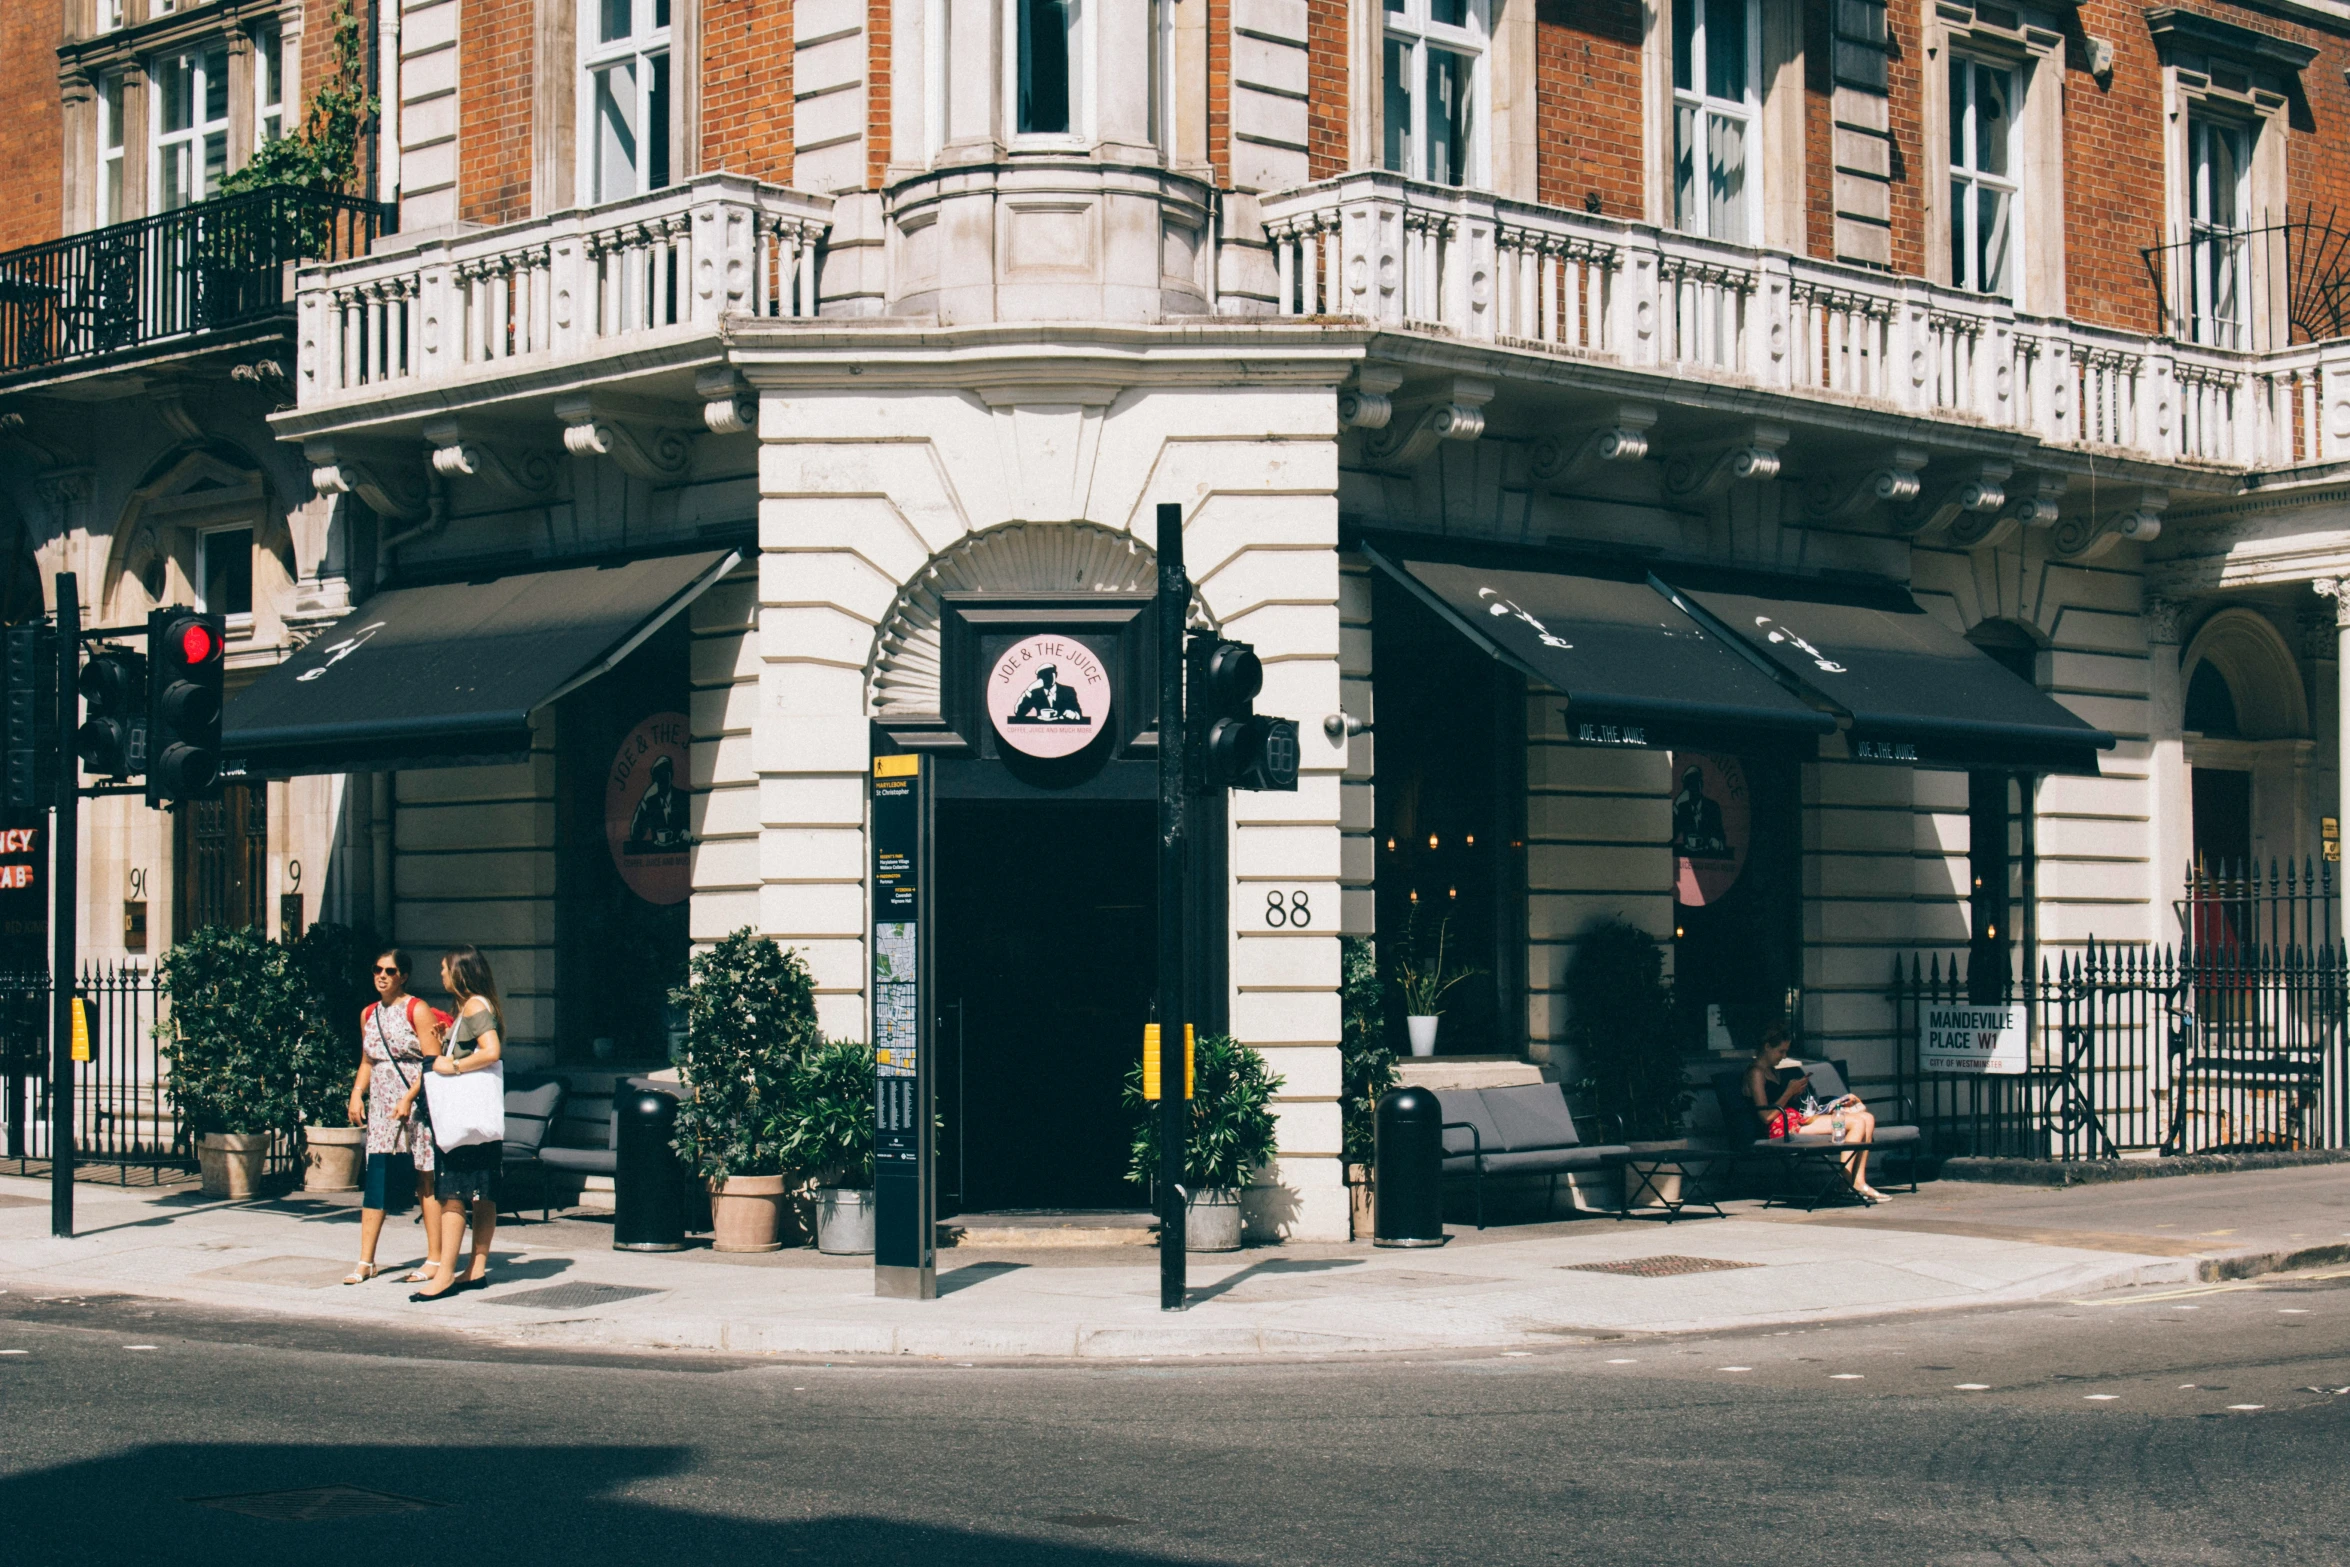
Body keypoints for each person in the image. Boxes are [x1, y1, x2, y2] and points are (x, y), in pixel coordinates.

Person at [344, 949, 447, 1286]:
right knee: (377, 1179)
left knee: (425, 1177)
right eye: (377, 969)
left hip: (415, 1104)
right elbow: (367, 1060)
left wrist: (408, 1098)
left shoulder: (417, 1010)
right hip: (382, 1108)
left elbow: (431, 1062)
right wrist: (357, 1092)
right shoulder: (367, 1013)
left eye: (390, 970)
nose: (382, 976)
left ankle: (435, 1257)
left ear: (404, 975)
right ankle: (365, 1260)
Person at [410, 945, 507, 1302]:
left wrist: (447, 1064)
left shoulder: (475, 1005)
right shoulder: (473, 1007)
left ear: (461, 972)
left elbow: (491, 1050)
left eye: (444, 968)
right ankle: (476, 1269)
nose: (440, 974)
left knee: (452, 1196)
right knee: (482, 1195)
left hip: (464, 1124)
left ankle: (445, 1275)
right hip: (477, 1121)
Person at [1745, 1025, 1888, 1202]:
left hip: (1794, 1118)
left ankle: (1859, 1181)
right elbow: (1765, 1116)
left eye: (1786, 1052)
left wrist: (1796, 1093)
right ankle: (1845, 1183)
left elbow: (1783, 1102)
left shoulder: (1773, 1072)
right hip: (1779, 1127)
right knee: (1857, 1122)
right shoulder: (1755, 1073)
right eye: (1780, 1051)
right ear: (1767, 1047)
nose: (1783, 1057)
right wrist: (1788, 1093)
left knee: (1867, 1118)